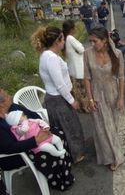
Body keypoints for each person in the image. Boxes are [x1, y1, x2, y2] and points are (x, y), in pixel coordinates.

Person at [0, 89, 74, 191]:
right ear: (1, 104)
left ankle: (64, 170)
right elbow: (9, 147)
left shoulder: (13, 107)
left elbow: (34, 116)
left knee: (58, 134)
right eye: (8, 95)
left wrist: (43, 127)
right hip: (17, 153)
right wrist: (35, 140)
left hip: (33, 135)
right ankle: (58, 180)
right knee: (47, 153)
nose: (10, 96)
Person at [31, 26, 85, 164]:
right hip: (58, 99)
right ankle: (75, 156)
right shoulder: (51, 59)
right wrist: (72, 101)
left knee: (63, 127)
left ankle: (68, 154)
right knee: (70, 128)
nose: (64, 42)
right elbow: (59, 84)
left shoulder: (47, 55)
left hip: (54, 98)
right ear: (57, 41)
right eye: (62, 39)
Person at [83, 27, 125, 171]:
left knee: (112, 127)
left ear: (104, 40)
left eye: (95, 41)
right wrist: (90, 99)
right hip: (96, 95)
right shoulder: (87, 54)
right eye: (91, 41)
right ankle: (111, 157)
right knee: (101, 128)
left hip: (112, 93)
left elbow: (121, 77)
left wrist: (121, 98)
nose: (92, 44)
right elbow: (87, 78)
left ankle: (115, 155)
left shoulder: (117, 54)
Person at [63, 20, 89, 113]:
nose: (76, 29)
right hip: (78, 69)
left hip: (72, 68)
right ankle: (85, 108)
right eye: (74, 27)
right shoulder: (70, 38)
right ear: (71, 29)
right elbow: (81, 49)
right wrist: (81, 46)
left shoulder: (65, 38)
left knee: (77, 90)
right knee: (82, 90)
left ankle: (81, 108)